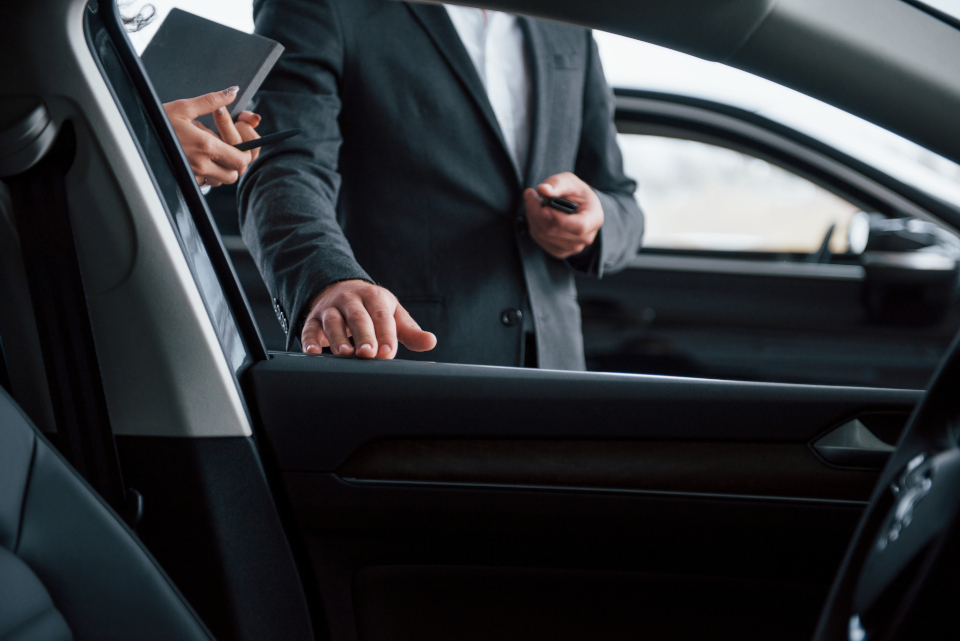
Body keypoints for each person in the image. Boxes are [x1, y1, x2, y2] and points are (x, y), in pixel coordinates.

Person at [239, 1, 644, 370]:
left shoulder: (567, 19)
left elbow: (620, 198)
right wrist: (327, 280)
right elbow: (284, 165)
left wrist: (595, 222)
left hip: (559, 371)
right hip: (400, 362)